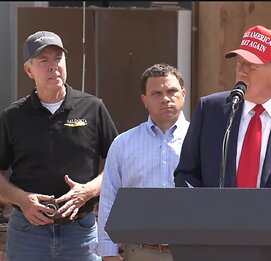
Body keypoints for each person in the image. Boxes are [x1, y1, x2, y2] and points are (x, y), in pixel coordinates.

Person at [174, 25, 271, 261]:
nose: (241, 70)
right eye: (239, 62)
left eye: (252, 65)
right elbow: (187, 172)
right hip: (217, 247)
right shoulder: (211, 110)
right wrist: (203, 212)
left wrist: (262, 211)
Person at [0, 31, 118, 260]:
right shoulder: (12, 116)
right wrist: (21, 200)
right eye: (43, 61)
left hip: (81, 231)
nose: (53, 66)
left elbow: (118, 164)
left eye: (58, 59)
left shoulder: (93, 108)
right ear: (28, 70)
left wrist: (88, 191)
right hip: (27, 233)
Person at [92, 63, 189, 261]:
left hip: (191, 251)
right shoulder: (123, 144)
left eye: (172, 91)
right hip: (140, 251)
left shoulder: (202, 140)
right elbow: (110, 198)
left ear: (183, 94)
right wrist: (108, 252)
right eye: (156, 93)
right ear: (144, 100)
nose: (166, 98)